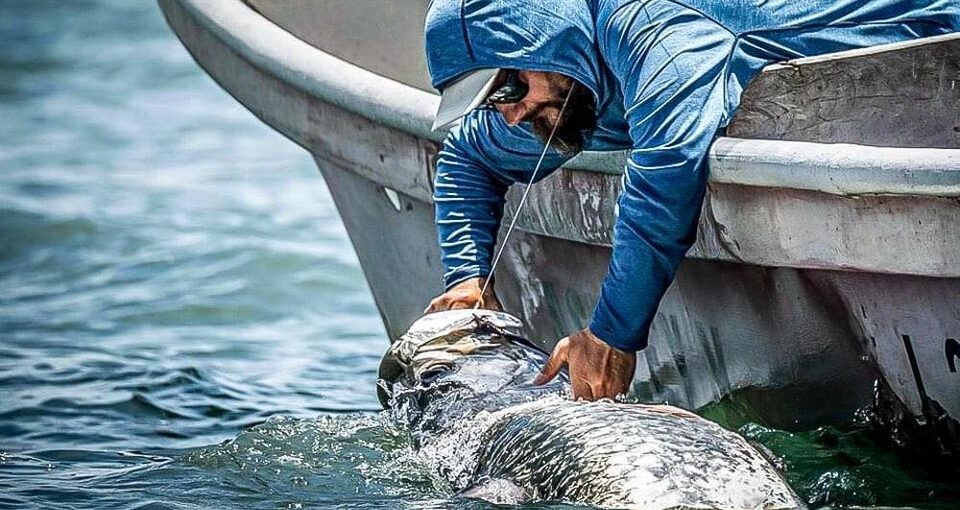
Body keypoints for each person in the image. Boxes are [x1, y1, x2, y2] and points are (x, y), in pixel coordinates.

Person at [421, 0, 960, 400]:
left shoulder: (652, 25)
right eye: (490, 102)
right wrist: (467, 281)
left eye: (508, 90)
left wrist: (610, 334)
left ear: (548, 40)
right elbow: (467, 159)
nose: (510, 114)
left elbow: (668, 165)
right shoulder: (563, 87)